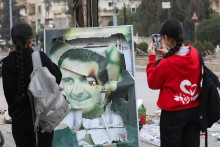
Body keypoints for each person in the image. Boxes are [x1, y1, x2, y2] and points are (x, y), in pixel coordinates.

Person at [2, 23, 62, 147]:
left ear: (13, 42)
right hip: (43, 122)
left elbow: (8, 95)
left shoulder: (6, 64)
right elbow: (57, 77)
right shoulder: (39, 57)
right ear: (30, 40)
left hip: (19, 125)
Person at [146, 18, 202, 147]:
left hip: (173, 116)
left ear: (165, 38)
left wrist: (151, 58)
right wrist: (168, 55)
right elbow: (180, 63)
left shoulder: (167, 63)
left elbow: (152, 82)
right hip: (194, 111)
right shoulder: (195, 53)